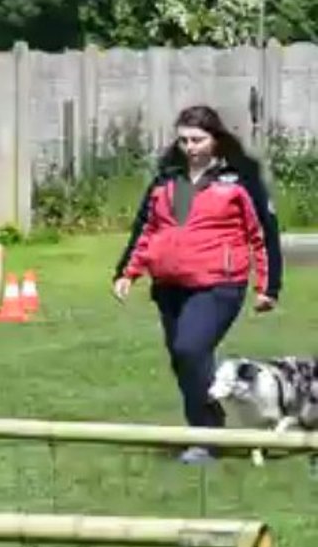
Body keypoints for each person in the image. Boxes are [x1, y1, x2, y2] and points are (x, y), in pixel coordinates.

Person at [113, 104, 282, 465]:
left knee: (190, 348)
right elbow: (147, 229)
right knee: (183, 359)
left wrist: (269, 286)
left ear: (214, 139)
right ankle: (208, 427)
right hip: (170, 285)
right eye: (184, 140)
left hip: (219, 285)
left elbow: (262, 236)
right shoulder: (168, 181)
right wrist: (127, 273)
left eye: (197, 139)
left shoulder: (237, 181)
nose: (189, 146)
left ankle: (208, 436)